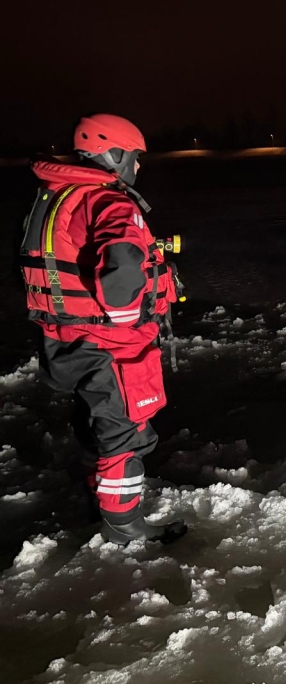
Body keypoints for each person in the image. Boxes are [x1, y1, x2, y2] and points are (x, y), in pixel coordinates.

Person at [19, 114, 186, 544]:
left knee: (98, 420)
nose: (138, 166)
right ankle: (123, 523)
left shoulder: (57, 195)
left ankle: (101, 500)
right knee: (125, 429)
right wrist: (130, 319)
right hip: (110, 342)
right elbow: (122, 262)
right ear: (113, 155)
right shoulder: (110, 202)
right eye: (134, 156)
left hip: (63, 337)